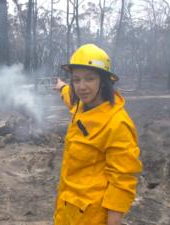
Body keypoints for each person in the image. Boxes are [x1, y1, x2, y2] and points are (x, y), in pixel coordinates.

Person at [53, 44, 143, 225]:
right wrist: (62, 87)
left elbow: (122, 182)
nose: (81, 87)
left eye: (90, 79)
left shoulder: (117, 123)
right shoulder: (81, 106)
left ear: (104, 81)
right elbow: (70, 97)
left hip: (91, 216)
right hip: (66, 209)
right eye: (76, 80)